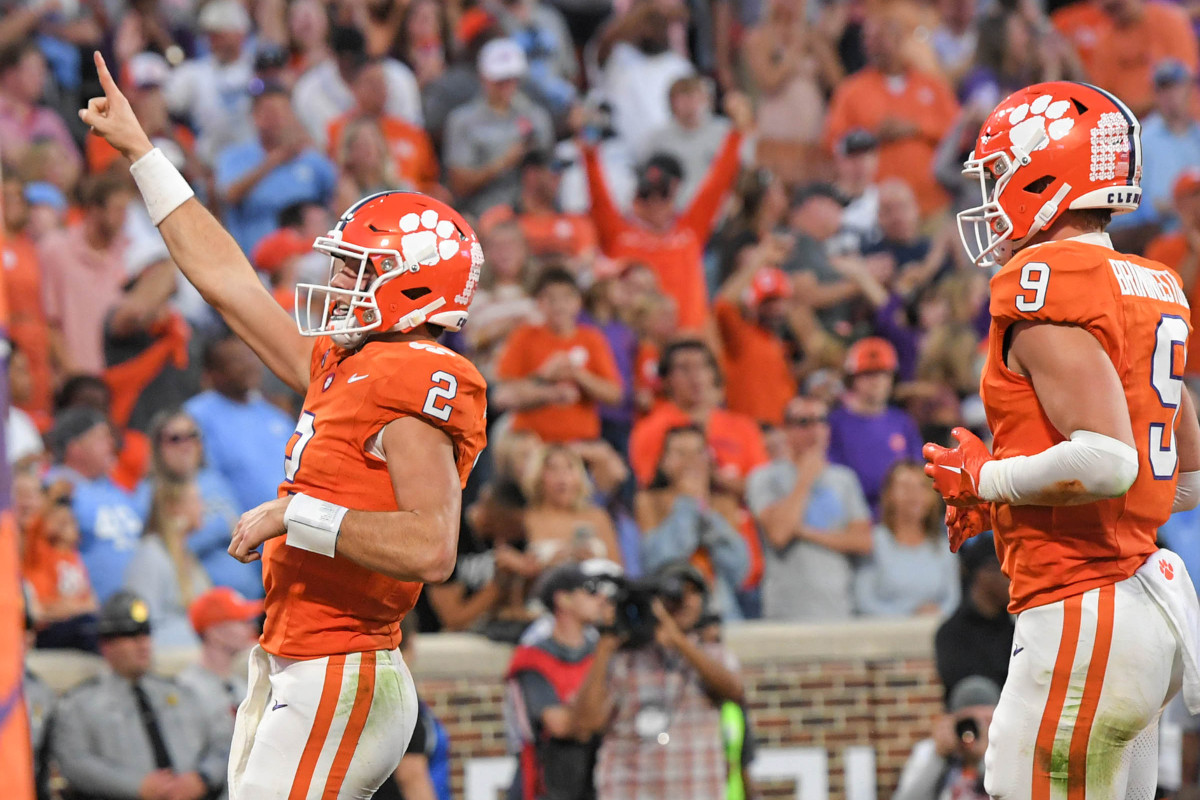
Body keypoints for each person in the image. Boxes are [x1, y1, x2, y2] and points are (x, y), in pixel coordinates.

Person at [83, 50, 489, 798]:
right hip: (294, 658)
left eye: (357, 270)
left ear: (414, 285)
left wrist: (295, 514)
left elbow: (432, 546)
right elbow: (230, 284)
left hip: (345, 666)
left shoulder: (419, 376)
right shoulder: (348, 363)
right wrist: (145, 155)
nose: (336, 282)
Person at [923, 81, 1200, 799]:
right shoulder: (1153, 280)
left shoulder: (1044, 279)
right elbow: (1186, 477)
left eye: (999, 173)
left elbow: (1108, 460)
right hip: (1139, 604)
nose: (992, 194)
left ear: (1046, 171)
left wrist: (988, 479)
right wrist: (1025, 498)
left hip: (1085, 608)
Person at [573, 561, 746, 800]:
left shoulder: (712, 654)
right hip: (630, 790)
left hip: (696, 790)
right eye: (677, 593)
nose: (686, 601)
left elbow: (734, 692)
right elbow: (587, 722)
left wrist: (678, 641)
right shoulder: (624, 659)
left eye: (694, 592)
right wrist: (605, 644)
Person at [583, 92, 753, 334]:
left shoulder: (690, 228)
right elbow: (598, 196)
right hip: (642, 342)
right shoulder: (618, 233)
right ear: (635, 198)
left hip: (692, 339)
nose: (654, 203)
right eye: (646, 194)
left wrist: (737, 133)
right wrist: (589, 152)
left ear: (673, 197)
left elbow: (718, 183)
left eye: (662, 194)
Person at [50, 590, 229, 800]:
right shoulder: (80, 704)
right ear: (106, 645)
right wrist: (135, 786)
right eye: (130, 635)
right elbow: (74, 762)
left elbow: (222, 743)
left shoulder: (182, 693)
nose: (142, 643)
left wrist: (203, 777)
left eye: (146, 633)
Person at [746, 395, 872, 622]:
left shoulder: (844, 479)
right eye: (804, 422)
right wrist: (804, 479)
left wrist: (805, 532)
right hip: (785, 610)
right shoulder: (764, 477)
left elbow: (862, 542)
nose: (814, 430)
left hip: (838, 607)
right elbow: (779, 534)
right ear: (786, 430)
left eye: (821, 421)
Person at [823, 10, 959, 219]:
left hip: (931, 204)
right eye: (869, 38)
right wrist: (870, 137)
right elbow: (834, 141)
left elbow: (958, 132)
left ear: (902, 40)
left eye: (882, 37)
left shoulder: (932, 86)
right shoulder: (851, 90)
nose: (875, 45)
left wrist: (915, 128)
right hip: (875, 210)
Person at [504, 561, 615, 800]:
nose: (602, 599)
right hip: (546, 783)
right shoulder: (532, 659)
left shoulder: (600, 653)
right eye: (591, 590)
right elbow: (560, 725)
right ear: (563, 599)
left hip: (595, 781)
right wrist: (594, 714)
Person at [494, 267, 623, 444]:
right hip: (531, 441)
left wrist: (577, 374)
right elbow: (503, 396)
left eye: (567, 297)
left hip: (581, 442)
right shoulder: (524, 336)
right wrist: (545, 378)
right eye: (551, 298)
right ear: (539, 302)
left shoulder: (591, 338)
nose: (559, 305)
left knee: (612, 467)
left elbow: (614, 395)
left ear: (579, 301)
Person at [136, 408, 254, 599]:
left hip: (251, 598)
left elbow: (245, 531)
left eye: (192, 435)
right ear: (158, 447)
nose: (186, 445)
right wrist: (222, 527)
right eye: (175, 439)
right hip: (203, 608)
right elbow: (164, 548)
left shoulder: (215, 480)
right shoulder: (149, 492)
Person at [184, 335, 296, 515]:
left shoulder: (273, 414)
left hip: (292, 529)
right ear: (212, 373)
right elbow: (201, 480)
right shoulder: (196, 416)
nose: (249, 366)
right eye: (237, 361)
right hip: (236, 533)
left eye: (251, 356)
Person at [444, 37, 554, 217]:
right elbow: (458, 185)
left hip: (532, 209)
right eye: (500, 79)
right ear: (483, 77)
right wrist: (502, 163)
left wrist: (541, 174)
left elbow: (549, 172)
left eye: (512, 78)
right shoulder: (463, 121)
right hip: (483, 211)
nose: (507, 86)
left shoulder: (537, 116)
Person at [44, 406, 144, 604]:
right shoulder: (55, 488)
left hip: (137, 607)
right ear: (75, 448)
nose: (111, 444)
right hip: (91, 614)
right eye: (101, 438)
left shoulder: (116, 489)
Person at [828, 337, 924, 515]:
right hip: (853, 514)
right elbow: (834, 478)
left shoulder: (902, 421)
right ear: (852, 379)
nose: (876, 381)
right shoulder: (835, 423)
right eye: (867, 374)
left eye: (883, 373)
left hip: (899, 513)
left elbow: (917, 470)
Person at [854, 462, 959, 617]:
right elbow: (863, 600)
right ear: (888, 494)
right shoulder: (874, 541)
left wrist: (938, 613)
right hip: (882, 632)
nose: (914, 494)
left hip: (933, 629)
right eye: (904, 486)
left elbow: (953, 599)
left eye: (921, 487)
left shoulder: (943, 546)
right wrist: (907, 616)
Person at [123, 477, 212, 649]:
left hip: (194, 649)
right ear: (174, 508)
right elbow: (144, 623)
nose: (204, 508)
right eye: (196, 501)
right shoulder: (150, 554)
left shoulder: (187, 554)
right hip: (167, 652)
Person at [893, 675, 1000, 800]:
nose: (980, 729)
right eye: (971, 722)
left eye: (987, 721)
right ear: (953, 720)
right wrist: (938, 757)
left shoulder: (1005, 750)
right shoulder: (929, 751)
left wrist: (984, 758)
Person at [177, 587, 263, 741]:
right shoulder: (187, 689)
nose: (252, 628)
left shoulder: (239, 683)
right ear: (215, 632)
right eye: (241, 622)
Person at [935, 534, 1013, 702]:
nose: (1013, 580)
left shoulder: (1015, 629)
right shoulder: (952, 633)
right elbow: (965, 693)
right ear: (983, 574)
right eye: (1007, 570)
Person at [521, 444, 623, 568]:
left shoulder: (598, 517)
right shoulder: (527, 519)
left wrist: (594, 561)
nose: (562, 477)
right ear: (538, 477)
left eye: (569, 468)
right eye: (553, 469)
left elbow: (618, 569)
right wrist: (549, 565)